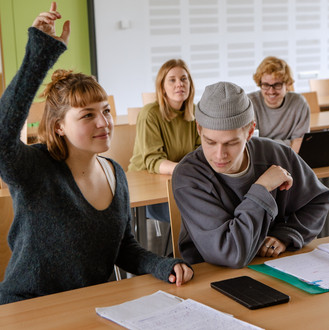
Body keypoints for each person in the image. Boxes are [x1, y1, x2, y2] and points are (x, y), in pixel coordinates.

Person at [0, 2, 193, 305]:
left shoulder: (115, 172)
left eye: (105, 111)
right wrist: (39, 55)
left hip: (90, 305)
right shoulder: (35, 168)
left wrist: (161, 264)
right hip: (29, 306)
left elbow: (123, 248)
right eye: (87, 115)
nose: (104, 123)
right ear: (59, 126)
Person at [172, 81, 329, 268]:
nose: (219, 154)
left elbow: (318, 200)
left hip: (274, 265)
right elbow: (230, 254)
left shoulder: (277, 154)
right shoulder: (188, 176)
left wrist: (285, 235)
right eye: (210, 142)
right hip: (210, 274)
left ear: (249, 132)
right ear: (199, 129)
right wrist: (261, 189)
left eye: (231, 143)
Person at [128, 59, 200, 223]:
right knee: (191, 216)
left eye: (183, 79)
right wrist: (186, 170)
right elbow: (153, 161)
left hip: (177, 180)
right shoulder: (150, 114)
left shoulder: (194, 112)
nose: (179, 84)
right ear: (162, 87)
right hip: (146, 184)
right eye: (172, 80)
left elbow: (199, 152)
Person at [248, 56, 310, 153]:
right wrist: (288, 143)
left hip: (289, 157)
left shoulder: (299, 103)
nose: (271, 91)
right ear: (260, 84)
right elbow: (251, 143)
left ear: (287, 84)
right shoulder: (249, 103)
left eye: (277, 85)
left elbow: (299, 141)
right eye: (266, 85)